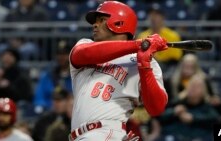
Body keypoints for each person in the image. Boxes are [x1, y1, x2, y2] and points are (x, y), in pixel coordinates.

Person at [69, 1, 168, 141]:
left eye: (101, 20)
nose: (94, 25)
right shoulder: (86, 45)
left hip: (106, 133)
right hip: (79, 135)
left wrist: (144, 66)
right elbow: (81, 55)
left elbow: (156, 108)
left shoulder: (144, 59)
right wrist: (139, 45)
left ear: (119, 23)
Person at [33, 40, 72, 109]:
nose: (61, 57)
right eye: (59, 54)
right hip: (50, 112)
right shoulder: (47, 76)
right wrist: (51, 107)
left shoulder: (76, 76)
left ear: (70, 55)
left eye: (64, 54)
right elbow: (39, 98)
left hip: (72, 112)